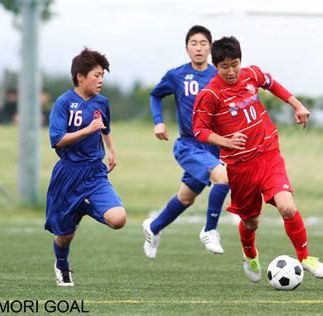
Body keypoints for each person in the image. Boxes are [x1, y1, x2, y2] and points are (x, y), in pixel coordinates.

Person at [192, 36, 323, 283]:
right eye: (225, 67)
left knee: (287, 206)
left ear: (240, 61)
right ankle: (250, 254)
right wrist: (227, 141)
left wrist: (297, 105)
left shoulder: (250, 74)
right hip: (241, 167)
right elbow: (199, 130)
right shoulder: (210, 94)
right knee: (251, 221)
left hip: (268, 155)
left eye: (235, 64)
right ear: (216, 66)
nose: (232, 71)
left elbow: (272, 84)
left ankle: (306, 257)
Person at [142, 25, 230, 259]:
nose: (198, 48)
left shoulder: (218, 76)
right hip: (189, 145)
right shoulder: (176, 75)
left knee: (186, 198)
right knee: (222, 177)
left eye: (203, 43)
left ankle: (153, 227)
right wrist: (159, 122)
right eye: (194, 43)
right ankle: (210, 230)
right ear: (186, 48)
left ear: (210, 48)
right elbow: (155, 94)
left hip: (213, 146)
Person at [45, 48, 127, 286]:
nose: (101, 80)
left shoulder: (102, 102)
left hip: (94, 172)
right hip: (68, 174)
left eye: (103, 75)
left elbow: (104, 127)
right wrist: (86, 130)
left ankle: (83, 208)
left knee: (118, 219)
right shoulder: (63, 103)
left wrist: (111, 150)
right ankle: (62, 266)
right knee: (64, 235)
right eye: (96, 75)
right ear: (80, 77)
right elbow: (57, 140)